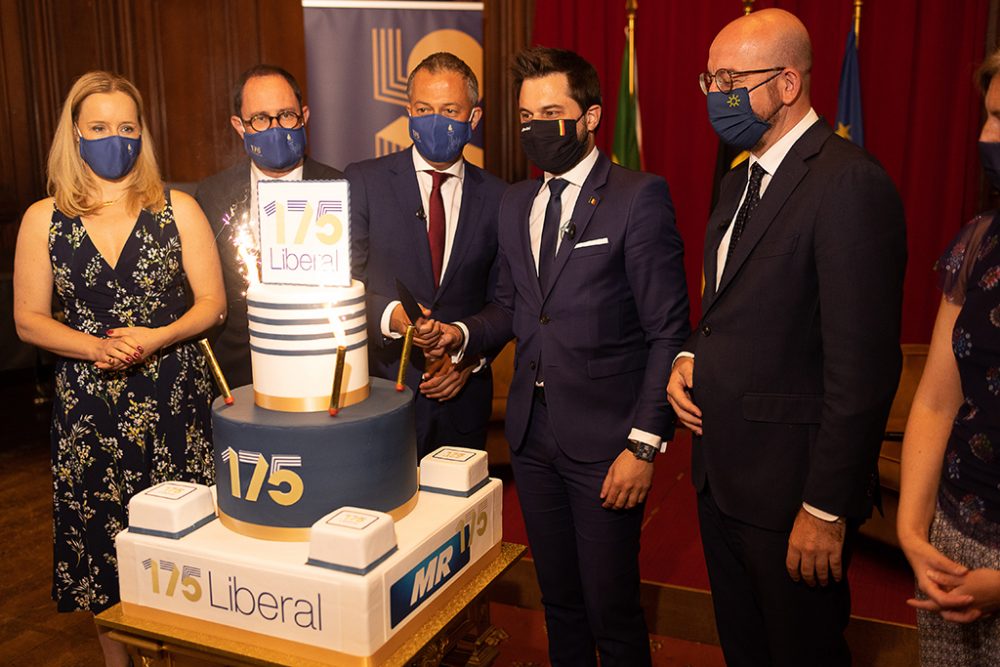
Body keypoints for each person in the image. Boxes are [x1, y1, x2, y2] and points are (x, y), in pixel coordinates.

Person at [666, 9, 906, 666]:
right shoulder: (738, 179)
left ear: (788, 83)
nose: (717, 95)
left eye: (731, 79)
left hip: (794, 489)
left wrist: (825, 507)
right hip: (720, 477)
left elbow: (864, 368)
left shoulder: (849, 182)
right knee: (745, 649)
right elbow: (721, 309)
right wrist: (688, 354)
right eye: (709, 79)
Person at [435, 46, 690, 666]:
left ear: (592, 116)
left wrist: (643, 445)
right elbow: (512, 307)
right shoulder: (514, 202)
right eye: (525, 115)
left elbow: (668, 331)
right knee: (560, 603)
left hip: (608, 442)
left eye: (551, 112)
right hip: (531, 435)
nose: (534, 127)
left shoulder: (638, 197)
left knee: (612, 608)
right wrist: (462, 338)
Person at [12, 71, 225, 667]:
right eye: (100, 127)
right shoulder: (41, 219)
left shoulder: (177, 208)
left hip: (173, 404)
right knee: (105, 559)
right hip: (89, 412)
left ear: (142, 134)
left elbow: (213, 304)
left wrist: (159, 335)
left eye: (127, 127)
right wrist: (93, 346)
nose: (116, 138)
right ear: (74, 135)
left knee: (184, 551)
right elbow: (29, 320)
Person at [346, 52, 506, 458]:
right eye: (423, 109)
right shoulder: (363, 182)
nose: (435, 120)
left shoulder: (502, 198)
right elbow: (339, 288)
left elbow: (507, 303)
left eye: (449, 110)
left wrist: (467, 357)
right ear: (409, 113)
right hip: (381, 399)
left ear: (473, 118)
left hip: (462, 404)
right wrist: (394, 318)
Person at [897, 50, 1000, 666]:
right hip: (952, 544)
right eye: (989, 116)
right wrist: (913, 534)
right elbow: (937, 400)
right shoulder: (979, 239)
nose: (988, 137)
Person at [195, 64, 343, 389]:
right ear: (239, 125)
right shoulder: (211, 195)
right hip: (240, 378)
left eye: (286, 115)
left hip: (326, 372)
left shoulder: (342, 187)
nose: (276, 128)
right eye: (260, 119)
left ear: (304, 116)